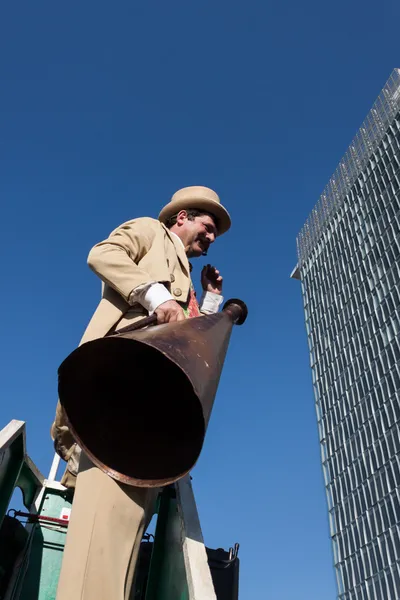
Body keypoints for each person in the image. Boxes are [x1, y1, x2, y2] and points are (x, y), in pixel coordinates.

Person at [53, 185, 231, 600]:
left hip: (147, 411)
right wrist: (155, 294)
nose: (209, 239)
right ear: (182, 217)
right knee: (100, 544)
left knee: (122, 547)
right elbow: (103, 254)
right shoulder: (152, 231)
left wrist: (209, 302)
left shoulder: (186, 279)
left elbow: (183, 339)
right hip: (116, 390)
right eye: (206, 228)